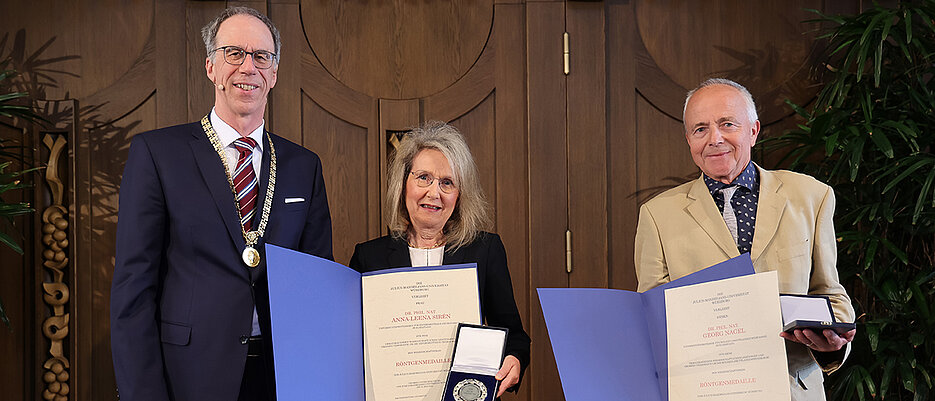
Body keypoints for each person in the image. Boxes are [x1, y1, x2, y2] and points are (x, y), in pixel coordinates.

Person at [110, 7, 332, 401]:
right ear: (211, 66)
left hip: (282, 378)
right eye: (234, 53)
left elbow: (315, 289)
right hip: (189, 376)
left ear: (274, 75)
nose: (248, 67)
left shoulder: (304, 166)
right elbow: (133, 290)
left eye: (261, 56)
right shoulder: (159, 154)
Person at [634, 78, 856, 400]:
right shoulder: (657, 215)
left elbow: (830, 295)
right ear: (688, 139)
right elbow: (652, 320)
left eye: (727, 124)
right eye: (700, 129)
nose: (715, 139)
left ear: (753, 130)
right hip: (703, 391)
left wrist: (832, 346)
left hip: (792, 389)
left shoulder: (811, 196)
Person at [349, 121, 530, 397]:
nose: (434, 193)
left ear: (459, 195)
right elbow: (351, 344)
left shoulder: (485, 250)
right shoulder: (368, 258)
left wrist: (514, 360)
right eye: (423, 177)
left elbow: (515, 337)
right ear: (403, 184)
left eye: (447, 183)